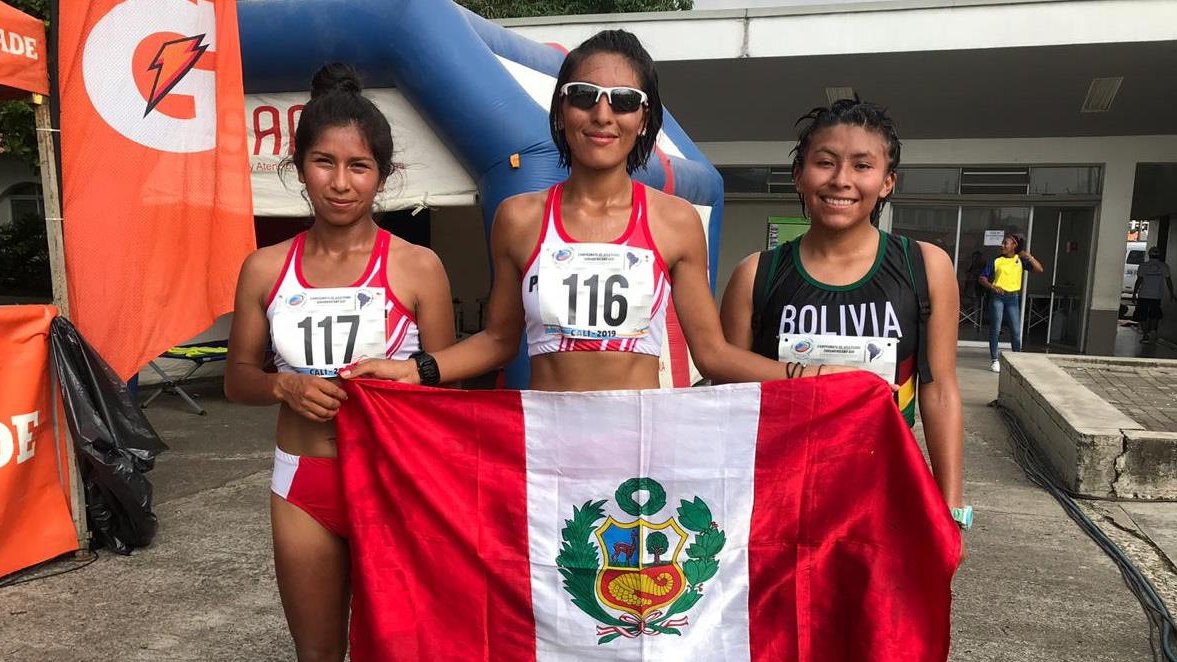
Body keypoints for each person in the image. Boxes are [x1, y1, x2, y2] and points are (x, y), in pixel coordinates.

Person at [341, 29, 830, 396]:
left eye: (623, 101)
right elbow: (498, 340)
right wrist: (416, 368)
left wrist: (815, 377)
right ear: (561, 109)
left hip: (640, 450)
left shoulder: (674, 221)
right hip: (547, 451)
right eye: (583, 96)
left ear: (644, 120)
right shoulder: (517, 218)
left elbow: (714, 355)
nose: (602, 114)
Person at [223, 63, 455, 662]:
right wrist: (283, 388)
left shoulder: (418, 266)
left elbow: (453, 390)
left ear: (383, 176)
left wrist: (407, 382)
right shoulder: (265, 267)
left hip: (396, 483)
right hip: (304, 481)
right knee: (318, 653)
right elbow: (237, 379)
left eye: (360, 166)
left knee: (403, 651)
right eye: (324, 162)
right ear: (298, 169)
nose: (341, 183)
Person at [718, 99, 967, 535]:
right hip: (777, 501)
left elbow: (940, 390)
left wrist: (950, 510)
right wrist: (806, 376)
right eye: (825, 162)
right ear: (799, 175)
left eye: (862, 166)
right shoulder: (756, 274)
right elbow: (724, 390)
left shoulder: (926, 267)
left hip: (886, 494)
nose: (841, 180)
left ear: (887, 182)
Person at [978, 232, 1043, 372]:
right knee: (996, 329)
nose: (1002, 245)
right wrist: (993, 287)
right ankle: (994, 359)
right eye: (1002, 243)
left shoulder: (1021, 260)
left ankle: (1017, 359)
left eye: (1005, 243)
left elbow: (1039, 269)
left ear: (1014, 246)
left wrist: (1030, 257)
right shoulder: (996, 260)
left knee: (1015, 330)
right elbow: (982, 278)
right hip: (998, 297)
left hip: (1013, 298)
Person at [1133, 245, 1177, 344]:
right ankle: (1152, 331)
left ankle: (1145, 335)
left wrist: (1134, 293)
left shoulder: (1143, 266)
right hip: (1156, 296)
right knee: (1155, 315)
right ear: (1159, 256)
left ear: (1149, 255)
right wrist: (1171, 293)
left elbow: (1139, 280)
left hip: (1144, 294)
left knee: (1142, 316)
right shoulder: (1164, 266)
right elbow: (1168, 281)